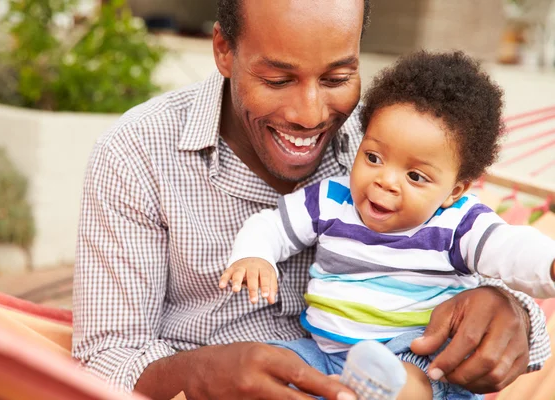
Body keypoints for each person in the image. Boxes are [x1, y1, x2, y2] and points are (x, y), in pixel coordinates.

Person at [72, 1, 551, 399]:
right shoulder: (137, 153)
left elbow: (479, 247)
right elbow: (105, 357)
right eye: (278, 80)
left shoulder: (397, 137)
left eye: (338, 78)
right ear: (223, 49)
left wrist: (512, 310)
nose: (309, 114)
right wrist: (197, 375)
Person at [218, 50, 555, 399]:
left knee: (410, 382)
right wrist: (255, 256)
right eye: (374, 157)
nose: (386, 181)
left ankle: (380, 389)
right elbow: (272, 226)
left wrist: (550, 264)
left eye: (415, 176)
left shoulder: (458, 223)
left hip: (416, 354)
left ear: (454, 191)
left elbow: (511, 248)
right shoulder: (333, 199)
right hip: (324, 353)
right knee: (272, 366)